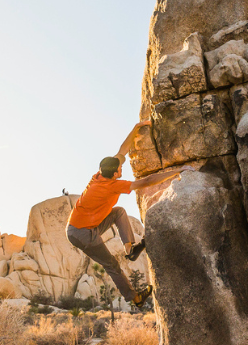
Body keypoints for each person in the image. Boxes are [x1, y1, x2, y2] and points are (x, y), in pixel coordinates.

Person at [66, 120, 192, 307]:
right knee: (111, 265)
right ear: (115, 174)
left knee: (119, 212)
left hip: (82, 226)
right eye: (120, 169)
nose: (122, 168)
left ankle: (130, 249)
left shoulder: (101, 174)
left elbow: (122, 150)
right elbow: (146, 181)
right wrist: (177, 171)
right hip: (82, 234)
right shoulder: (111, 186)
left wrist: (135, 129)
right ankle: (135, 298)